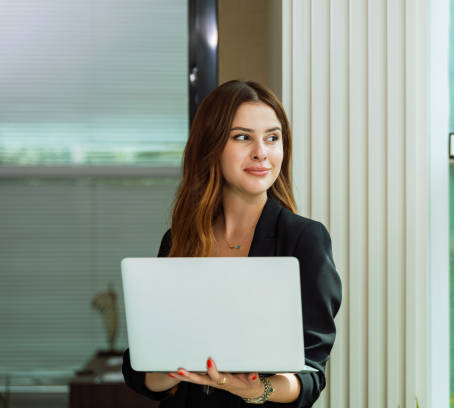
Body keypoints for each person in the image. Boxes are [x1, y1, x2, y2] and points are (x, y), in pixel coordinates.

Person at [122, 80, 342, 407]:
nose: (261, 152)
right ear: (210, 147)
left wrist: (254, 389)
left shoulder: (303, 239)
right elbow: (145, 369)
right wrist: (180, 369)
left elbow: (311, 374)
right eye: (242, 137)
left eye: (272, 138)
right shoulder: (180, 238)